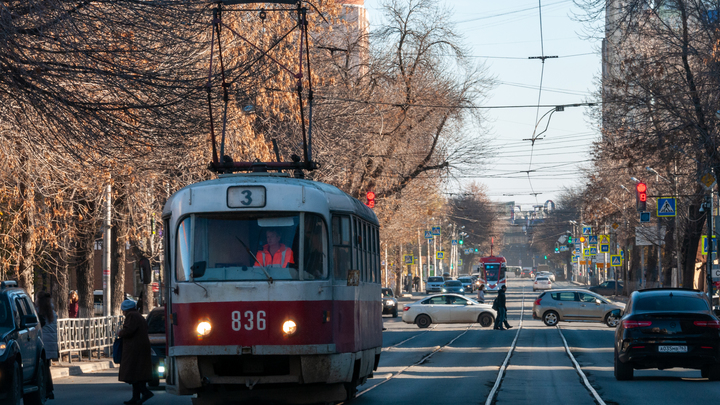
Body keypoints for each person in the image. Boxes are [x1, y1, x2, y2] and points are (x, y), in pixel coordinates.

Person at [117, 299, 153, 405]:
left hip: (134, 350)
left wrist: (120, 332)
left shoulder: (131, 316)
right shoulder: (137, 315)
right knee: (137, 374)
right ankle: (135, 398)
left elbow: (129, 331)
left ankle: (145, 393)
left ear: (125, 309)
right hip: (139, 348)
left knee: (133, 372)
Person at [36, 292, 58, 400]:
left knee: (43, 369)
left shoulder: (38, 313)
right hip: (51, 344)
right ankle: (49, 390)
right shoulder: (53, 313)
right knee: (46, 367)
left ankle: (46, 390)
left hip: (43, 343)